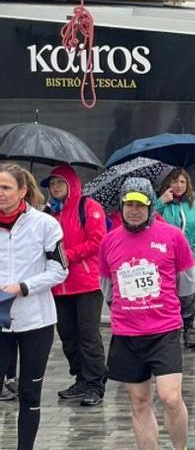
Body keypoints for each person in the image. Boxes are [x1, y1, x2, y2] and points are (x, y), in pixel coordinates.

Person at [99, 178, 195, 450]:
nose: (134, 210)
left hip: (164, 330)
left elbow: (188, 283)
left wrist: (164, 307)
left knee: (170, 397)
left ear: (151, 205)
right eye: (129, 204)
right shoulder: (110, 241)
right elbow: (108, 288)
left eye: (140, 204)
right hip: (127, 333)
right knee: (139, 400)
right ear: (122, 207)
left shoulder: (172, 237)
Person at [0, 164, 67, 450]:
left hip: (36, 320)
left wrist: (23, 286)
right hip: (0, 324)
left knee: (29, 391)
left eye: (6, 188)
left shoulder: (45, 224)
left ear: (22, 191)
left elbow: (60, 271)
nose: (0, 193)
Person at [42, 165, 107, 407]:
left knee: (88, 335)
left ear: (71, 183)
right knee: (68, 335)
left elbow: (97, 241)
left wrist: (67, 255)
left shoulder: (88, 207)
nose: (55, 187)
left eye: (59, 182)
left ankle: (95, 384)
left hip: (86, 283)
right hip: (58, 285)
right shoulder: (48, 213)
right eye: (51, 184)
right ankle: (81, 378)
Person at [156, 168, 195, 350]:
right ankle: (169, 331)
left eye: (182, 182)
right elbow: (147, 221)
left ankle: (189, 329)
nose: (178, 186)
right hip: (166, 259)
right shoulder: (162, 203)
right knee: (167, 295)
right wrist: (160, 202)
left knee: (189, 296)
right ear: (167, 184)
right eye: (174, 182)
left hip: (190, 258)